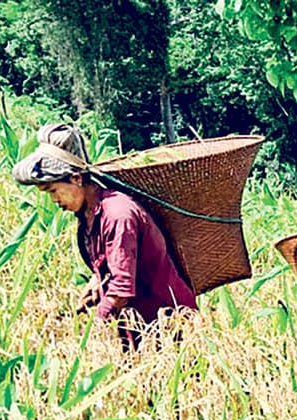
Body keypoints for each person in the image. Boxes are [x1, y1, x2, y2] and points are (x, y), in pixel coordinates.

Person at [12, 123, 196, 350]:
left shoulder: (118, 214)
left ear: (77, 178)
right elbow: (116, 260)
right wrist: (97, 281)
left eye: (53, 190)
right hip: (137, 324)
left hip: (169, 325)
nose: (54, 200)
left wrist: (93, 330)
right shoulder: (89, 214)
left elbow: (121, 288)